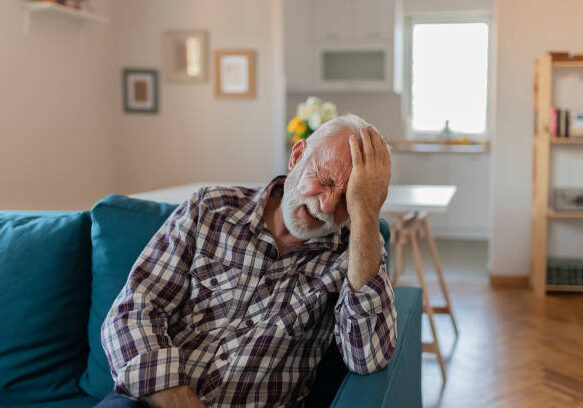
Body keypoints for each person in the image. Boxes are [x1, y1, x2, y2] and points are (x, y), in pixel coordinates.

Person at [97, 114, 397, 408]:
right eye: (324, 180)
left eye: (348, 199)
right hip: (154, 398)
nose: (326, 205)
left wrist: (366, 215)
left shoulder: (354, 252)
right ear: (297, 156)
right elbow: (132, 310)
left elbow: (368, 357)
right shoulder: (210, 208)